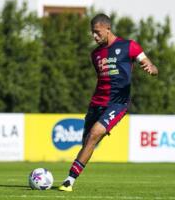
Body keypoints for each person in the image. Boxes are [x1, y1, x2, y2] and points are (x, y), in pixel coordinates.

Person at [58, 13, 158, 192]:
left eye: (97, 32)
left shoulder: (129, 46)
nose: (94, 36)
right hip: (96, 103)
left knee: (95, 133)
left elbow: (152, 65)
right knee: (87, 141)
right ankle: (72, 175)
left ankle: (69, 180)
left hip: (117, 104)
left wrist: (151, 67)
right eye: (92, 33)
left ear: (107, 28)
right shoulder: (95, 54)